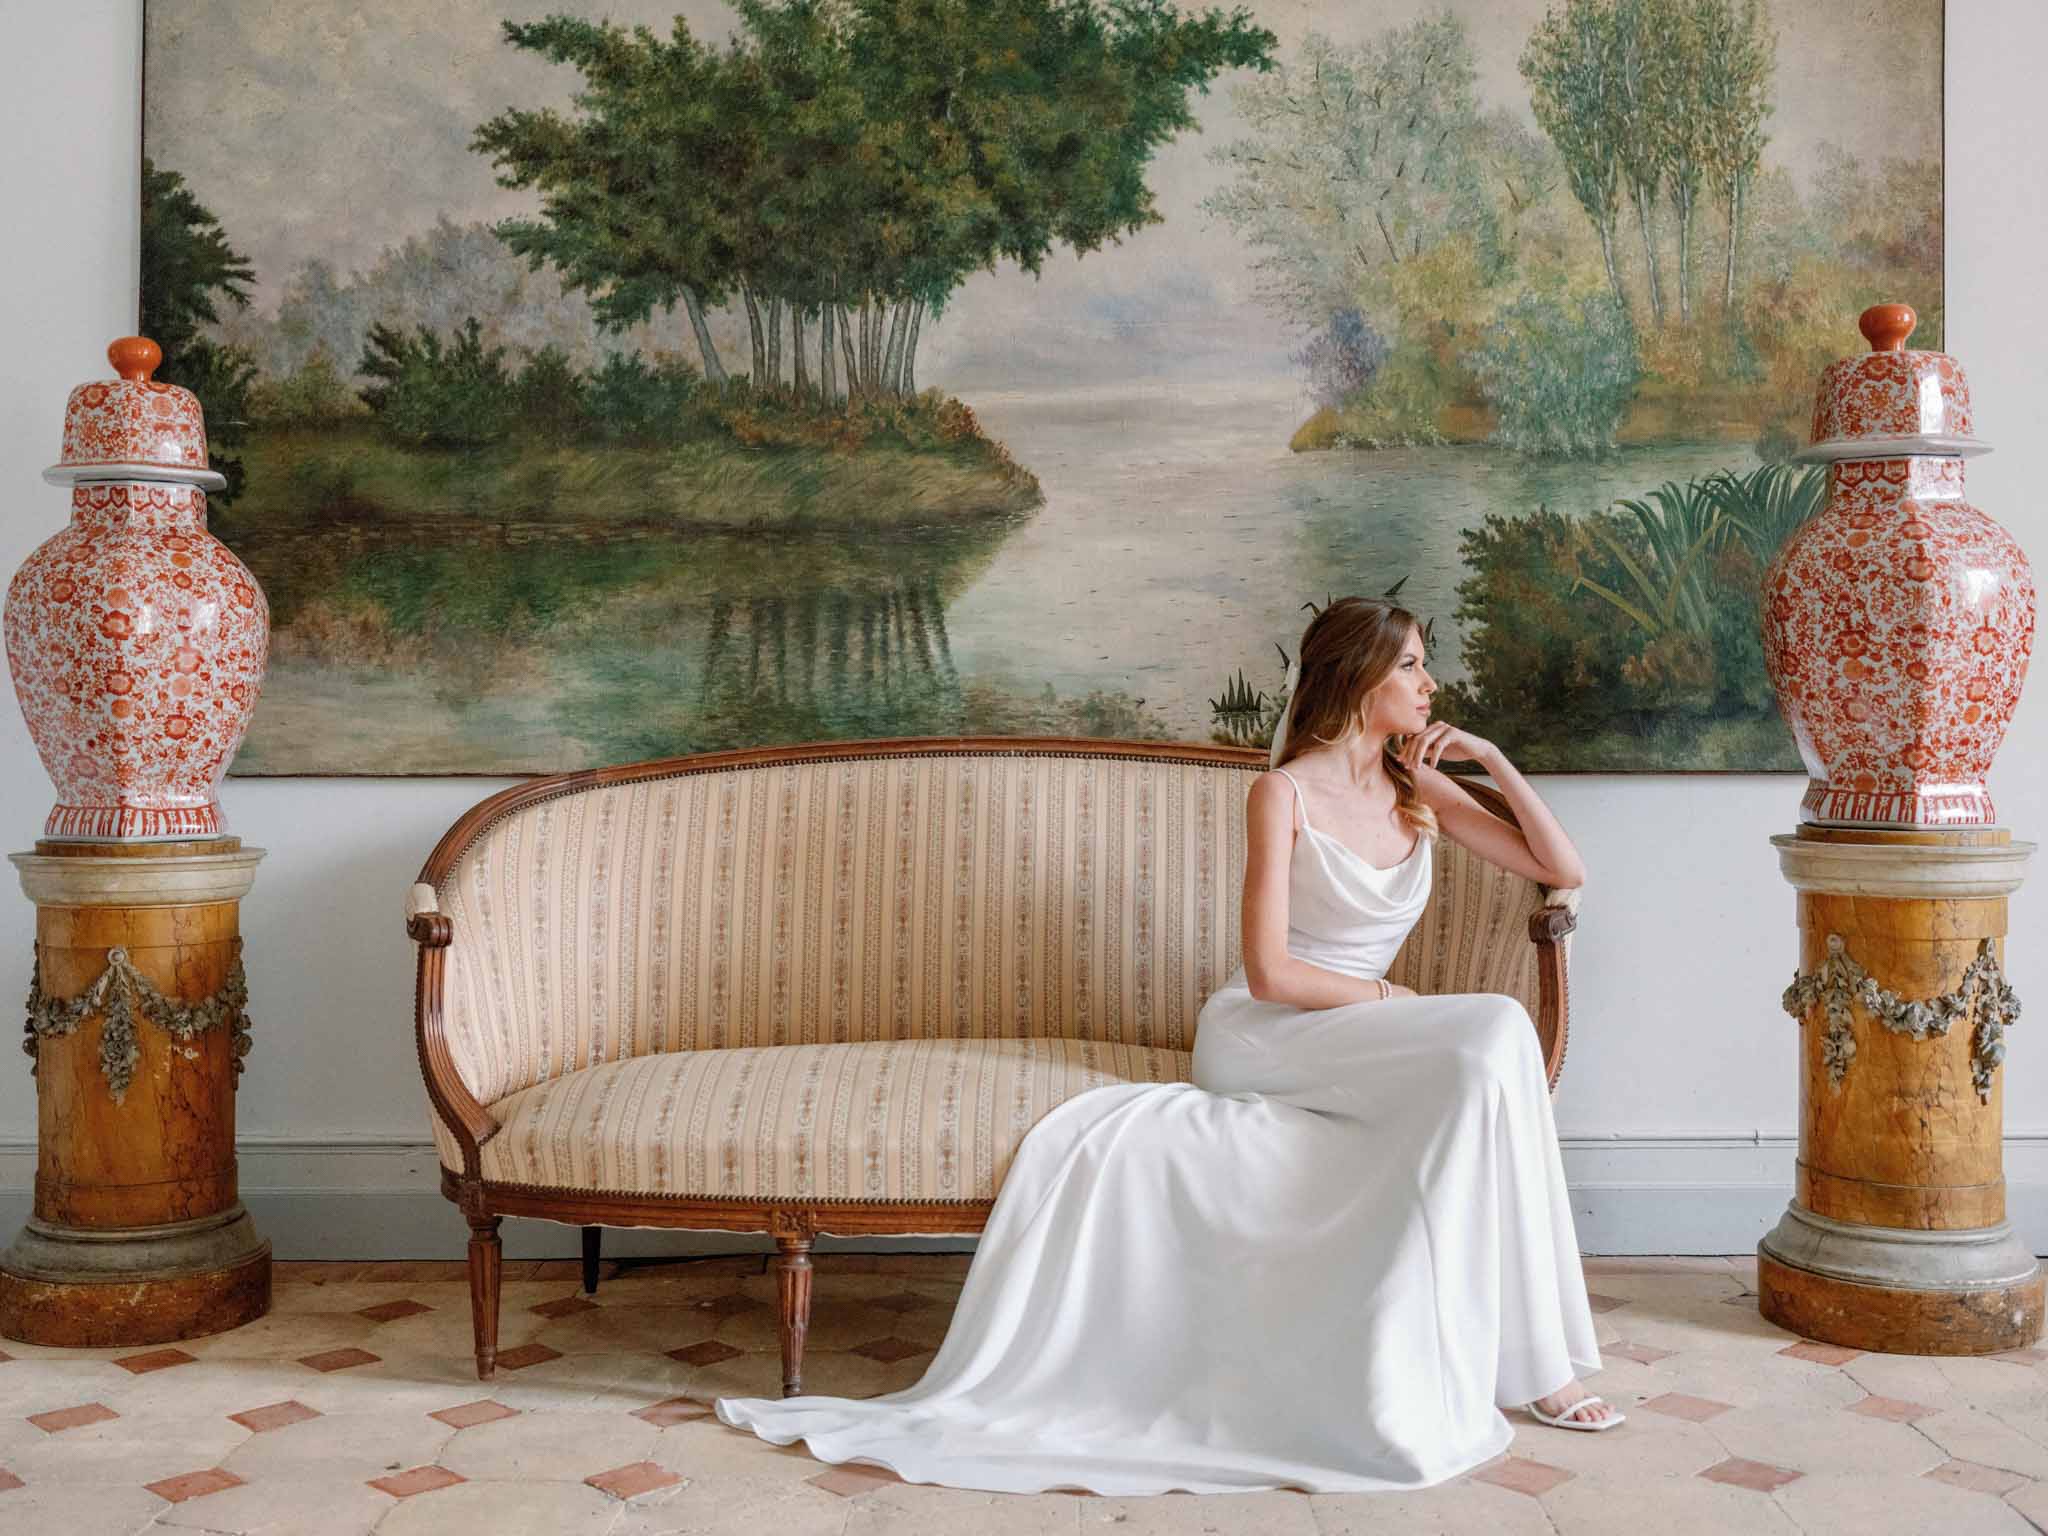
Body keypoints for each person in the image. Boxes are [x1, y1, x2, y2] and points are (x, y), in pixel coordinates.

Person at [715, 596, 1619, 1495]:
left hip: (1361, 1029)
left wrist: (1491, 760)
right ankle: (1542, 1371)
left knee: (1491, 1055)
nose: (1430, 684)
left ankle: (1499, 1352)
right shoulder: (1283, 793)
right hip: (1267, 1032)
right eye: (1412, 665)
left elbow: (1563, 869)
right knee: (1497, 1030)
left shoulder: (1418, 789)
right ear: (1358, 677)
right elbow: (1270, 973)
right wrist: (1388, 996)